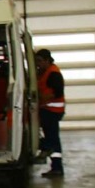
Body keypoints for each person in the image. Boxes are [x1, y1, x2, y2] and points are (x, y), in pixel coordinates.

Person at [35, 48, 66, 178]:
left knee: (51, 140)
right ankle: (55, 166)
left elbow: (57, 92)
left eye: (40, 61)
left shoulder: (53, 73)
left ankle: (55, 165)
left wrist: (41, 98)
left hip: (52, 110)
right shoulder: (43, 72)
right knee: (52, 139)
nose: (38, 64)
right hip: (47, 110)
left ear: (47, 60)